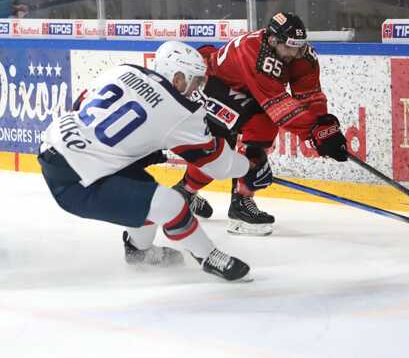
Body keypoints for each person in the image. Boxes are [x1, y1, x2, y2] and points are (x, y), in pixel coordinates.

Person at [38, 41, 251, 282]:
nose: (196, 90)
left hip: (56, 145)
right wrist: (249, 167)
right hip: (78, 179)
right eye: (195, 81)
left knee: (148, 193)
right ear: (178, 78)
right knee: (170, 203)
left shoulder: (125, 70)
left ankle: (137, 252)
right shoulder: (181, 112)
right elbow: (218, 165)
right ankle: (209, 256)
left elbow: (81, 105)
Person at [172, 12, 348, 236]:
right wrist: (313, 132)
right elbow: (278, 106)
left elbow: (310, 96)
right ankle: (234, 206)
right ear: (273, 41)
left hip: (244, 91)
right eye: (290, 47)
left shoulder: (302, 56)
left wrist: (325, 128)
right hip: (211, 83)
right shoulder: (256, 53)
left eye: (300, 47)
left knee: (227, 147)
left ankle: (186, 194)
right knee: (249, 132)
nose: (296, 54)